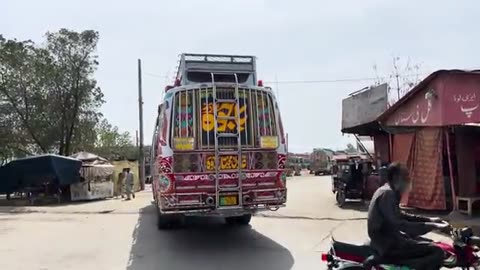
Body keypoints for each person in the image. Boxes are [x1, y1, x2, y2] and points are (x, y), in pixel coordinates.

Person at [367, 162, 448, 270]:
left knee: (427, 242)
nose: (409, 179)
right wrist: (432, 226)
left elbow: (401, 216)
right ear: (396, 178)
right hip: (387, 244)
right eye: (406, 177)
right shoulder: (388, 194)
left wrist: (430, 220)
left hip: (389, 239)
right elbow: (400, 224)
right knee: (437, 251)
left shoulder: (387, 190)